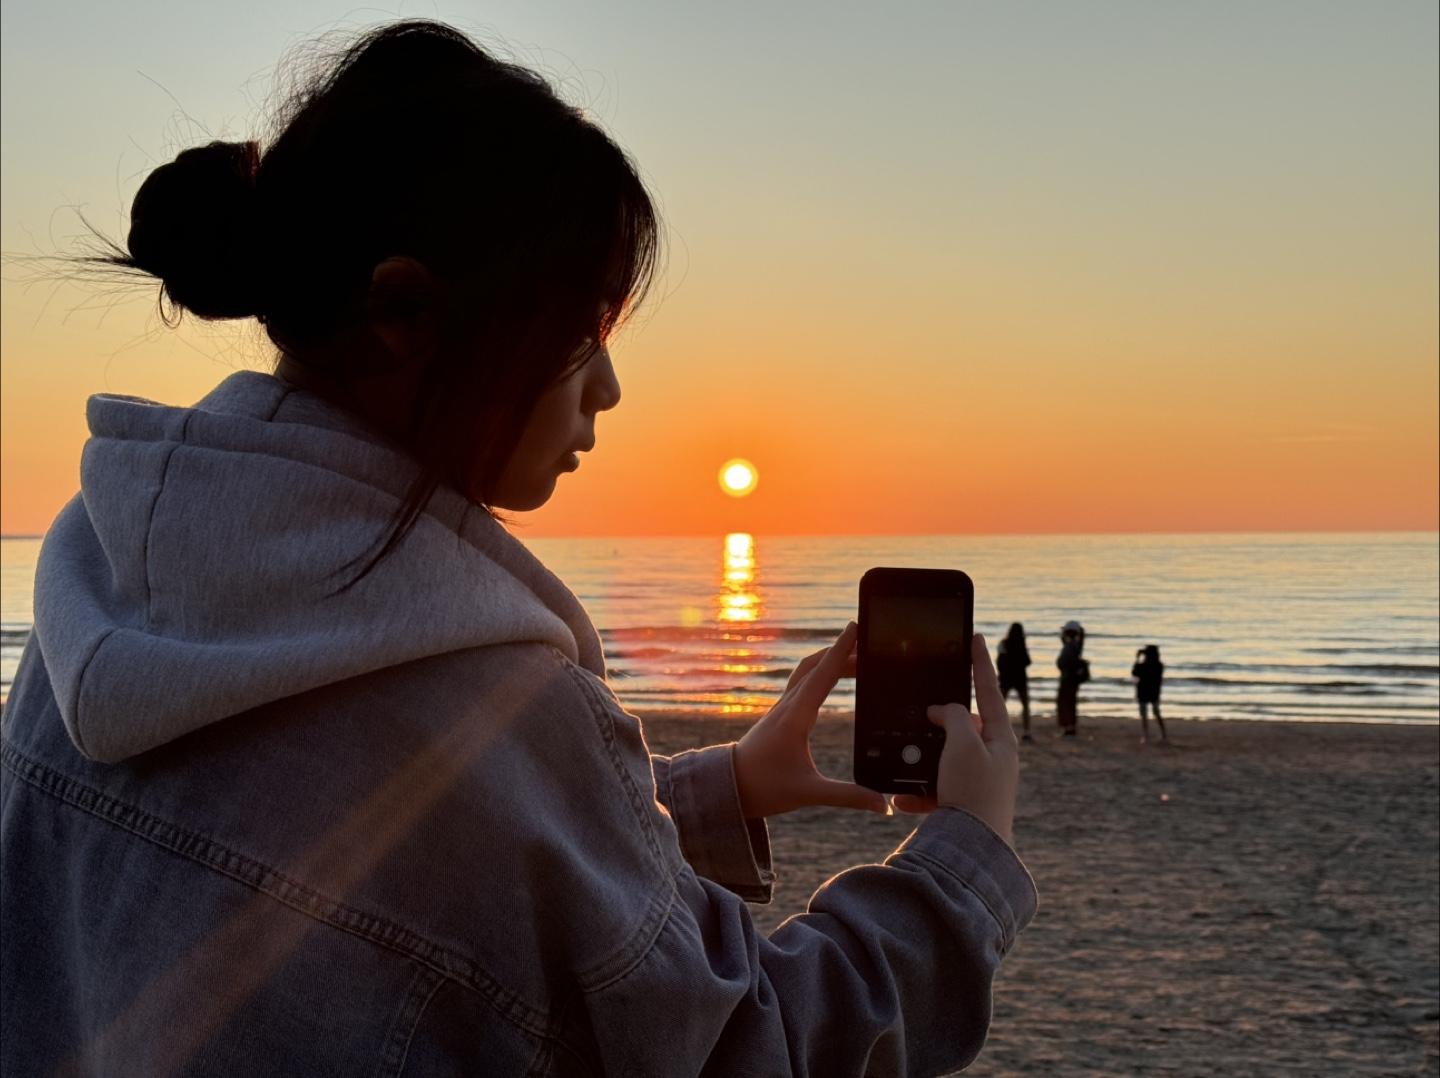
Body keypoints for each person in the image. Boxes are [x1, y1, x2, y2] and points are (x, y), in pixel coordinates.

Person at [0, 22, 1035, 1076]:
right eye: (584, 329)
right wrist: (967, 858)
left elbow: (411, 846)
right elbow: (748, 1044)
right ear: (404, 311)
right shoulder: (494, 705)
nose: (608, 386)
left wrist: (725, 786)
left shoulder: (95, 584)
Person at [996, 622, 1033, 741]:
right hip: (1020, 678)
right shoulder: (1021, 645)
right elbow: (1027, 662)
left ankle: (998, 729)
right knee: (1025, 705)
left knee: (1001, 705)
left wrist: (1001, 674)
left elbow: (999, 662)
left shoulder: (1004, 644)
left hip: (1006, 677)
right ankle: (1026, 730)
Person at [1055, 620, 1088, 737]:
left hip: (1068, 678)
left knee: (1065, 703)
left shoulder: (1072, 646)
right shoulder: (1074, 644)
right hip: (1071, 678)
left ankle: (1068, 727)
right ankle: (1070, 726)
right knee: (1070, 702)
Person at [1132, 644, 1168, 743]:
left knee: (1144, 714)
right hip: (1154, 692)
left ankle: (1146, 735)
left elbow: (1134, 672)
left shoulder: (1144, 665)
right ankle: (1164, 734)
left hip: (1143, 691)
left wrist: (1137, 659)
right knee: (1156, 713)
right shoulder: (1159, 665)